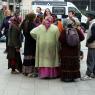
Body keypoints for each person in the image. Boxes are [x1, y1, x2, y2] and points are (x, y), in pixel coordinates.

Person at [20, 12, 37, 76]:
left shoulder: (25, 23)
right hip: (32, 42)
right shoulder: (32, 24)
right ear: (32, 17)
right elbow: (34, 33)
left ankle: (25, 70)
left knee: (27, 56)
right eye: (35, 17)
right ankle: (30, 71)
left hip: (27, 42)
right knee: (31, 56)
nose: (35, 18)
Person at [82, 11, 95, 80]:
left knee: (90, 60)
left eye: (88, 16)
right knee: (93, 59)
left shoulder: (93, 24)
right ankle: (93, 74)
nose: (87, 17)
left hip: (92, 45)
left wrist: (88, 41)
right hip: (93, 45)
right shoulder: (92, 23)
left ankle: (88, 74)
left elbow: (94, 36)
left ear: (91, 17)